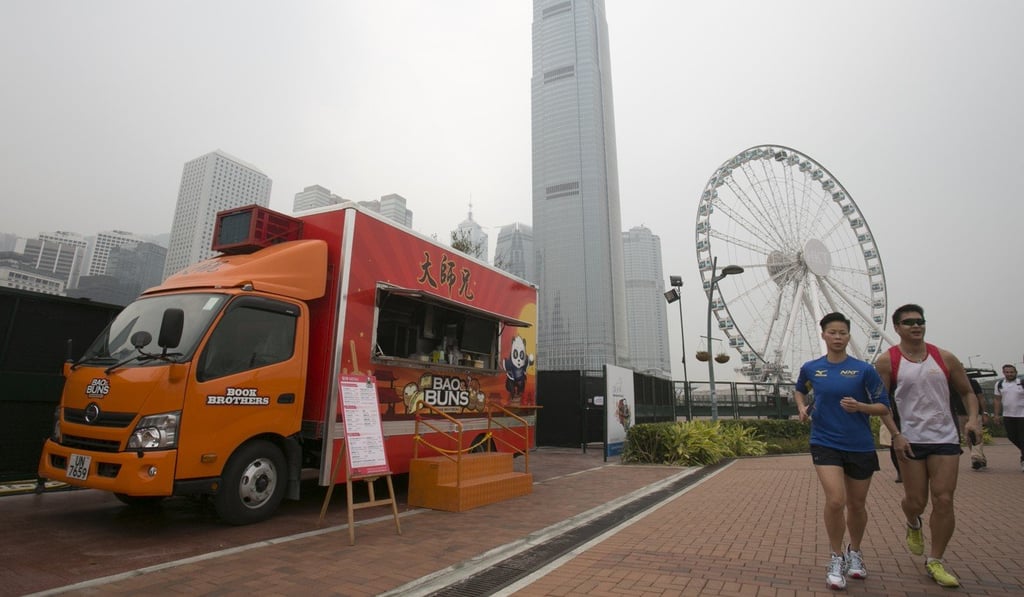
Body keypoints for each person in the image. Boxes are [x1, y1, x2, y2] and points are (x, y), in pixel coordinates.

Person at [873, 304, 980, 588]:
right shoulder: (887, 361)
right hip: (911, 439)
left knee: (944, 499)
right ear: (896, 327)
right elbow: (881, 403)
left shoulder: (944, 357)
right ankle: (912, 521)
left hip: (944, 438)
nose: (916, 326)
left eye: (920, 321)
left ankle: (936, 560)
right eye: (908, 322)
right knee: (916, 501)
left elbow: (967, 391)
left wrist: (973, 419)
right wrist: (896, 434)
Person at [794, 312, 891, 591]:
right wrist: (801, 406)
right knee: (836, 500)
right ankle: (836, 556)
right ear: (823, 335)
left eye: (843, 333)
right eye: (832, 333)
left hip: (859, 443)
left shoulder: (864, 370)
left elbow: (883, 406)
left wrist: (860, 407)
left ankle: (855, 552)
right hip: (825, 442)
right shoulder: (812, 368)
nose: (838, 337)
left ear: (849, 336)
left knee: (857, 504)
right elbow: (800, 390)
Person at [993, 364, 1024, 470]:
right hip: (1008, 415)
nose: (1009, 374)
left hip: (1022, 415)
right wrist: (996, 415)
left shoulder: (1021, 382)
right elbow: (997, 400)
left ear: (1015, 372)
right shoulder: (1000, 384)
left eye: (1011, 372)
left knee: (1022, 438)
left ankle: (1023, 459)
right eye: (1007, 372)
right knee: (1012, 436)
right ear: (1004, 373)